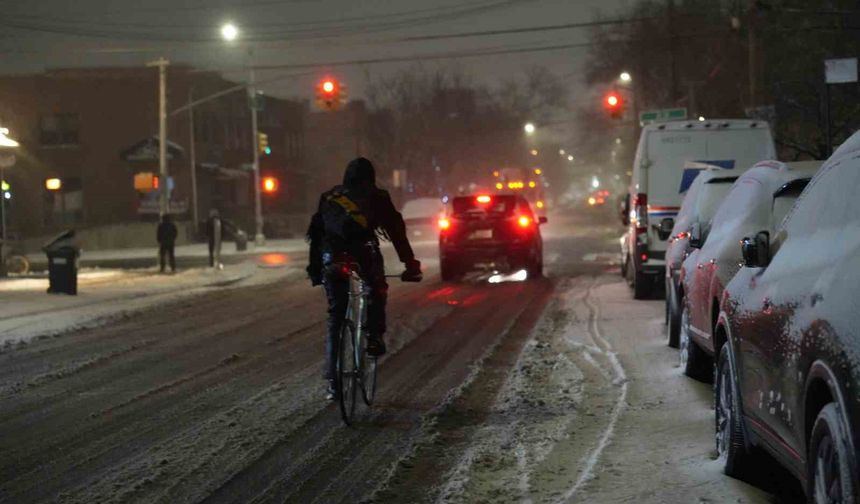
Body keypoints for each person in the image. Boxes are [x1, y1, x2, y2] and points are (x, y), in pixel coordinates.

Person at [306, 157, 422, 400]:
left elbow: (316, 234)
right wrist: (410, 265)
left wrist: (315, 269)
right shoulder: (377, 196)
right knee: (376, 286)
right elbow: (396, 232)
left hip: (332, 256)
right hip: (363, 252)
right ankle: (373, 337)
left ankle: (333, 382)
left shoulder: (329, 196)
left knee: (336, 316)